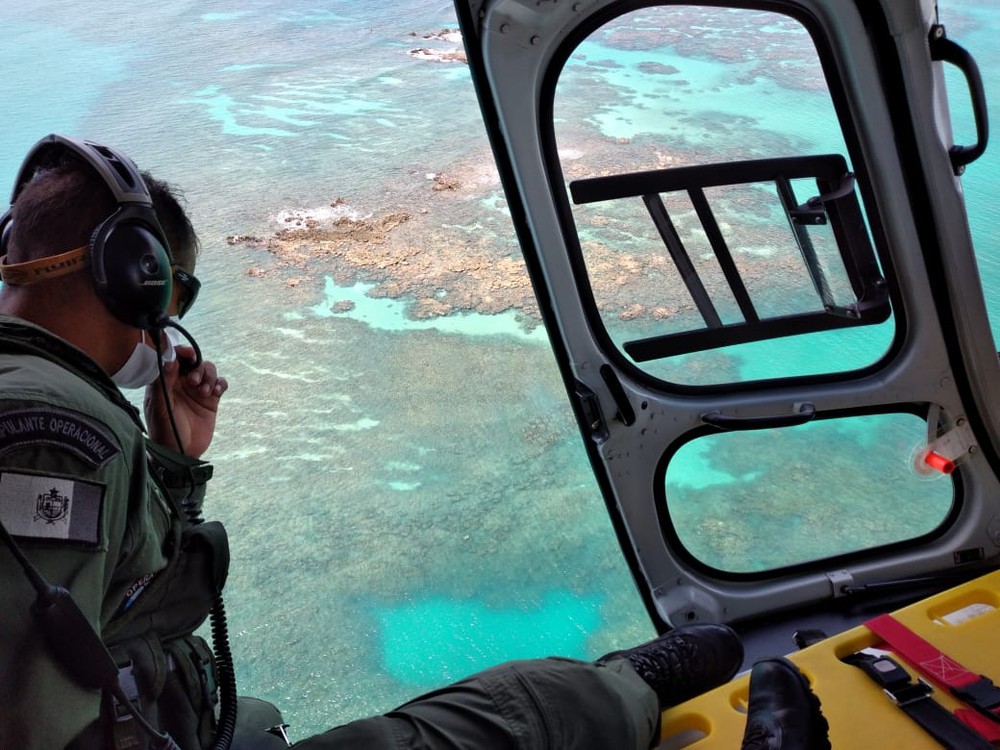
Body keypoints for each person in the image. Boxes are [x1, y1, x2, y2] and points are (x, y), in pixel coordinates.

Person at [0, 134, 829, 750]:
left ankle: (616, 685)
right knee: (522, 714)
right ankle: (610, 690)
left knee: (259, 720)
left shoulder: (53, 410)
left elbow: (109, 604)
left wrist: (174, 462)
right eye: (180, 287)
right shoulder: (57, 435)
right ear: (138, 276)